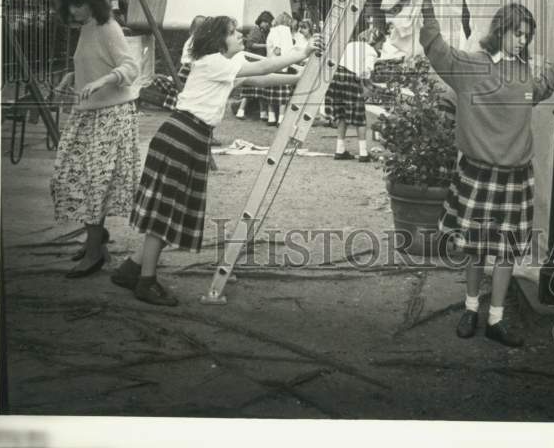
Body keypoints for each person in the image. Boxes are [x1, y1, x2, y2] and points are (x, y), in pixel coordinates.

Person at [110, 16, 323, 306]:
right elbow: (261, 66)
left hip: (186, 136)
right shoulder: (215, 62)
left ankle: (131, 268)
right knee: (165, 213)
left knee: (169, 209)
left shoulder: (220, 66)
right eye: (233, 33)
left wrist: (298, 78)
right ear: (218, 40)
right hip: (183, 137)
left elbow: (256, 77)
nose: (240, 36)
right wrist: (302, 51)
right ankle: (146, 282)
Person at [420, 0, 554, 347]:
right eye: (518, 33)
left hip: (516, 176)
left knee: (507, 251)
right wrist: (427, 9)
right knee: (474, 248)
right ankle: (470, 310)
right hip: (478, 173)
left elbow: (540, 89)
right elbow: (436, 49)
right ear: (501, 31)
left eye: (527, 35)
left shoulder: (524, 73)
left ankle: (496, 319)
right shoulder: (472, 67)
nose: (523, 41)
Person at [51, 0, 141, 279]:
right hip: (88, 112)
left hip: (111, 115)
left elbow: (130, 66)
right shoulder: (87, 27)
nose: (73, 10)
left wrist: (103, 80)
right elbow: (92, 62)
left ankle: (94, 251)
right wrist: (71, 76)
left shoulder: (108, 27)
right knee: (70, 176)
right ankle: (96, 238)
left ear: (92, 1)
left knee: (95, 182)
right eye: (70, 5)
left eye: (78, 4)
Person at [325, 29, 379, 162]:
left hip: (336, 77)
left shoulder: (350, 44)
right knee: (359, 116)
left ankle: (340, 149)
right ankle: (363, 153)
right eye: (381, 44)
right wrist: (369, 85)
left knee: (342, 114)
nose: (381, 48)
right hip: (350, 79)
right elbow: (365, 72)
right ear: (376, 41)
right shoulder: (371, 51)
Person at [235, 10, 274, 120]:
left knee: (257, 88)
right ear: (262, 21)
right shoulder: (255, 30)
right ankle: (241, 111)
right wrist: (266, 45)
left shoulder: (261, 31)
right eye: (266, 22)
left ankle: (261, 113)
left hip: (257, 62)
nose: (268, 25)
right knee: (250, 88)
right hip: (253, 61)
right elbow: (250, 44)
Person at [263, 13, 297, 126]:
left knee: (271, 92)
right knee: (283, 94)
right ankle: (281, 119)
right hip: (283, 64)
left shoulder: (273, 30)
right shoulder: (285, 30)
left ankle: (271, 118)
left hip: (272, 64)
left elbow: (275, 48)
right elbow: (280, 49)